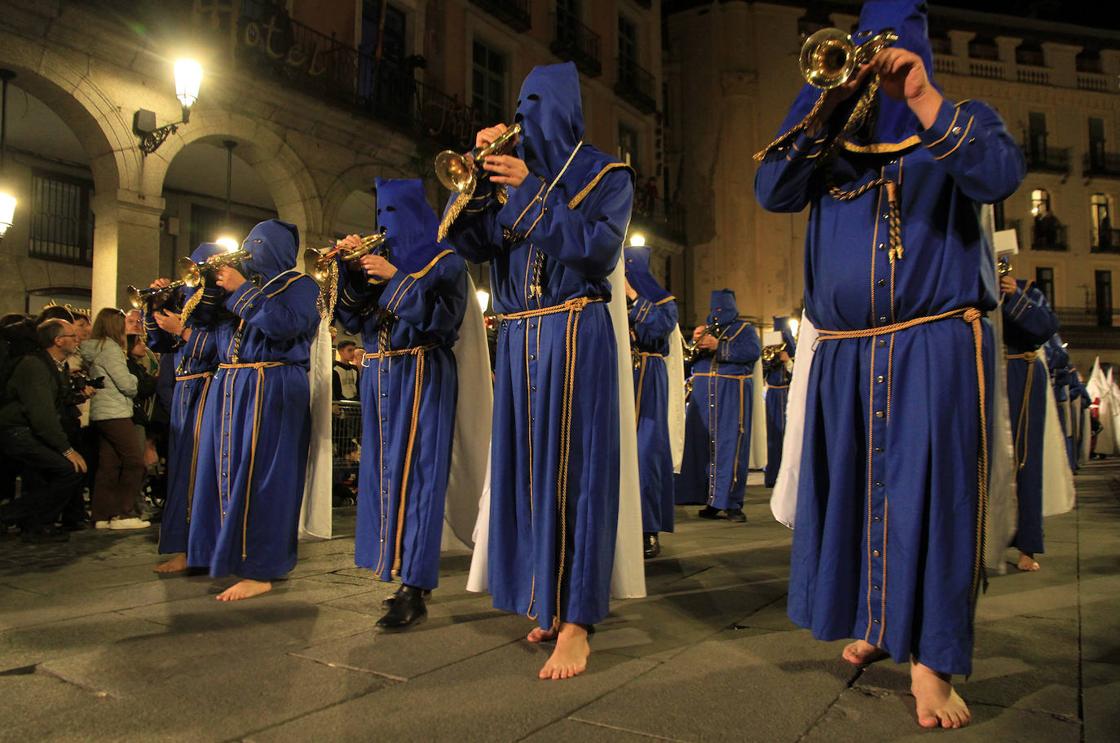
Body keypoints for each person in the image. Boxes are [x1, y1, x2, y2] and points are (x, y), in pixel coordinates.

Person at [755, 0, 1025, 729]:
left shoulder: (961, 119)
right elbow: (770, 189)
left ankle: (932, 663)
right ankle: (875, 618)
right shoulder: (833, 139)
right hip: (845, 349)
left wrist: (923, 98)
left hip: (933, 341)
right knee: (854, 496)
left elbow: (1000, 174)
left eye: (888, 51)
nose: (874, 65)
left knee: (933, 499)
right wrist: (822, 99)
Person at [444, 62, 634, 680]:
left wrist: (527, 187)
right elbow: (470, 247)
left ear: (562, 110)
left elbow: (597, 250)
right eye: (516, 110)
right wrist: (472, 185)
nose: (523, 121)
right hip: (519, 332)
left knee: (575, 476)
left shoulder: (607, 174)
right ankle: (546, 600)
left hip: (575, 330)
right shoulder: (505, 176)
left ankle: (578, 622)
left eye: (534, 108)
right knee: (528, 474)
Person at [334, 178, 469, 629]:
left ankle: (416, 584)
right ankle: (395, 570)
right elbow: (351, 318)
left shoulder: (444, 259)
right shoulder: (382, 261)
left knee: (421, 478)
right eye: (379, 217)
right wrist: (351, 270)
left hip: (422, 369)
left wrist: (397, 279)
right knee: (383, 475)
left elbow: (442, 322)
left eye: (392, 215)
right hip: (380, 376)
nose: (384, 227)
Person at [187, 219, 321, 601]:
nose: (251, 250)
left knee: (265, 476)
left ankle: (262, 567)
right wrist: (209, 288)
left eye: (259, 244)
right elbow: (199, 323)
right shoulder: (240, 286)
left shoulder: (302, 285)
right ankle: (222, 554)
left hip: (273, 384)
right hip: (230, 385)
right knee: (221, 470)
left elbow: (286, 325)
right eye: (248, 243)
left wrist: (241, 290)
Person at [143, 243, 224, 573]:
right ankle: (186, 547)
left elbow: (225, 345)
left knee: (200, 472)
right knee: (181, 471)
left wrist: (184, 330)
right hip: (183, 389)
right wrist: (155, 306)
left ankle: (202, 549)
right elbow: (159, 344)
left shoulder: (224, 301)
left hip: (208, 386)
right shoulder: (186, 300)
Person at [675, 290, 761, 522]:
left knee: (730, 446)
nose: (717, 313)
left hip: (731, 394)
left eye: (721, 308)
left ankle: (732, 502)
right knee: (704, 447)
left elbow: (752, 352)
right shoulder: (706, 329)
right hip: (703, 395)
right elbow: (686, 362)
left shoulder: (745, 330)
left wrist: (718, 346)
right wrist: (694, 343)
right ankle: (711, 500)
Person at [0, 319, 88, 542]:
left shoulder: (55, 366)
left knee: (49, 474)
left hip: (29, 430)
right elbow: (41, 415)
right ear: (58, 340)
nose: (77, 339)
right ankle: (11, 516)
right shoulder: (35, 366)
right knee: (68, 470)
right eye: (71, 335)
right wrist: (67, 450)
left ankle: (36, 525)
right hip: (17, 431)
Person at [1000, 272, 1059, 573]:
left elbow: (1047, 327)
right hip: (978, 374)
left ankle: (1027, 544)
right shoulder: (968, 285)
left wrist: (1014, 297)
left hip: (1019, 374)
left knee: (1024, 459)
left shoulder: (1027, 290)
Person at [624, 245, 678, 558]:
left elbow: (660, 327)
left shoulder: (663, 301)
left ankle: (648, 529)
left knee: (647, 454)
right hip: (618, 376)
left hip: (648, 377)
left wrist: (633, 295)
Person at [80, 308, 149, 530]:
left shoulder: (94, 349)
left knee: (109, 464)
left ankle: (101, 514)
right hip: (116, 412)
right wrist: (135, 380)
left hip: (102, 411)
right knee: (134, 461)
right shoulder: (110, 349)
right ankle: (123, 513)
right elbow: (127, 385)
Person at [763, 317, 796, 489]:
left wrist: (788, 360)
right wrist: (770, 361)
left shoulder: (794, 351)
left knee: (788, 436)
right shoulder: (768, 349)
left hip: (788, 392)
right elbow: (762, 370)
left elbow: (797, 373)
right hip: (773, 394)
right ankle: (773, 475)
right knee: (773, 436)